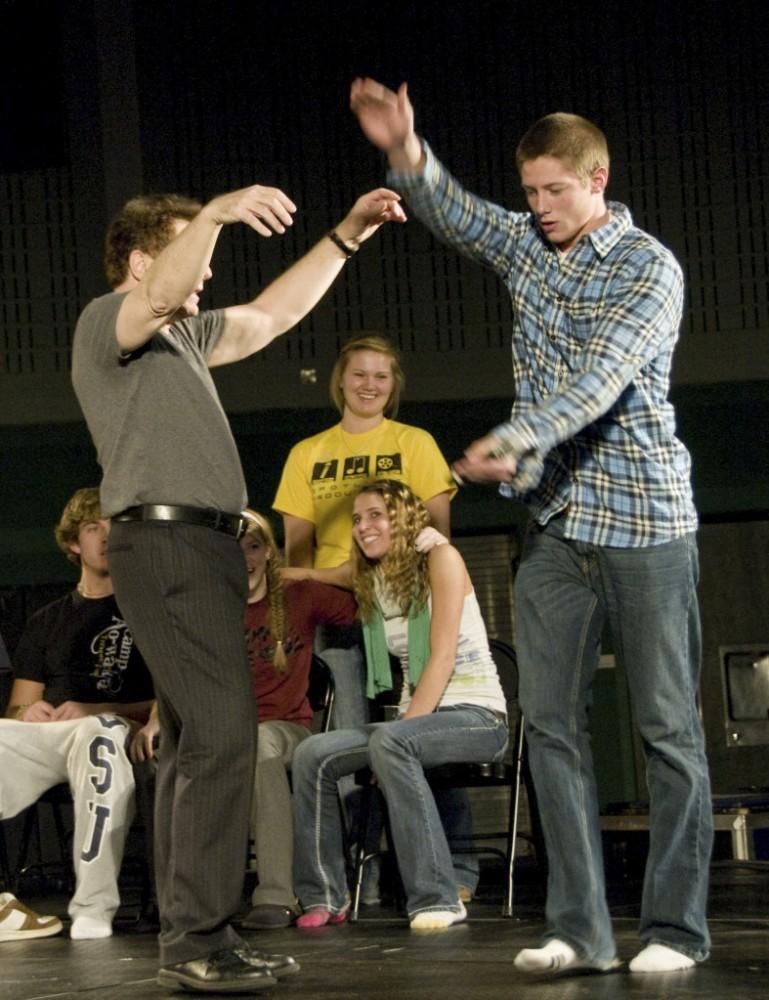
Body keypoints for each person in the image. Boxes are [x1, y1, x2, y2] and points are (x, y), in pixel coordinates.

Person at [351, 78, 713, 974]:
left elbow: (599, 381)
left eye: (555, 190)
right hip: (556, 528)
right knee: (549, 728)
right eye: (531, 193)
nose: (539, 208)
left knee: (666, 729)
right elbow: (460, 215)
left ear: (597, 179)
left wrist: (515, 439)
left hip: (644, 524)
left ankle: (673, 931)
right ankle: (580, 932)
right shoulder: (527, 247)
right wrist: (407, 150)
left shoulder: (647, 267)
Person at [71, 182, 405, 992]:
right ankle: (195, 939)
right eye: (197, 252)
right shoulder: (105, 322)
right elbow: (152, 295)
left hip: (210, 549)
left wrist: (346, 237)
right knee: (223, 734)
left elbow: (272, 316)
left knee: (194, 744)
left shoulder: (182, 339)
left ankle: (198, 935)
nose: (210, 273)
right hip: (164, 540)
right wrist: (217, 214)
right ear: (148, 256)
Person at [274, 334, 479, 902]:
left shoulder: (414, 442)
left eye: (381, 376)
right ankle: (353, 880)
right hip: (343, 616)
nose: (369, 384)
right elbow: (298, 553)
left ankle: (456, 868)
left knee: (423, 723)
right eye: (358, 374)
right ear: (339, 380)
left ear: (394, 387)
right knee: (347, 744)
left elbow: (437, 532)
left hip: (407, 607)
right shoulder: (307, 454)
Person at [291, 479, 508, 929]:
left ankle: (437, 897)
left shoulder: (440, 560)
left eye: (376, 515)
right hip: (416, 724)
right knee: (312, 753)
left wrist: (401, 732)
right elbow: (316, 574)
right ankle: (324, 897)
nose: (362, 527)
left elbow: (443, 656)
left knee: (391, 741)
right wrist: (277, 571)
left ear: (404, 519)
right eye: (356, 519)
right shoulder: (371, 576)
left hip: (477, 717)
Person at [0, 488, 154, 940]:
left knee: (99, 731)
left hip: (119, 730)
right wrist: (32, 712)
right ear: (73, 543)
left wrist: (98, 708)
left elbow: (169, 698)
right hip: (57, 736)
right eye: (93, 528)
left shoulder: (149, 609)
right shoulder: (46, 620)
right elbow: (19, 705)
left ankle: (93, 907)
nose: (106, 536)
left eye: (114, 527)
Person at [238, 509, 356, 929]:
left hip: (287, 731)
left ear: (268, 552)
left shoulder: (297, 596)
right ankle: (183, 901)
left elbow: (366, 593)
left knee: (261, 743)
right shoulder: (214, 604)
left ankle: (276, 894)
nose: (245, 557)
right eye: (235, 550)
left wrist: (302, 573)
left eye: (253, 547)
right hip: (230, 735)